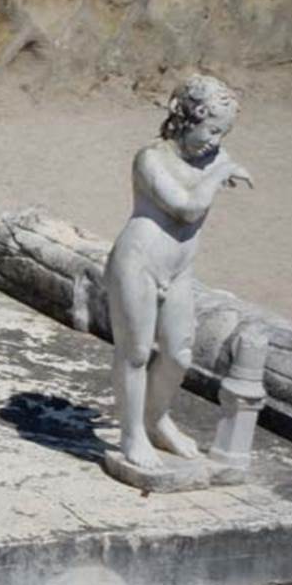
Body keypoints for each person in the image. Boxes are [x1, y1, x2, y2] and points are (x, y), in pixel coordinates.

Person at [105, 74, 252, 468]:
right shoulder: (150, 158)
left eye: (223, 133)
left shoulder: (212, 159)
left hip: (180, 269)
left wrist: (216, 166)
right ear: (188, 118)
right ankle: (132, 433)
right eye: (212, 130)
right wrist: (219, 175)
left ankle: (156, 419)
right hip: (137, 263)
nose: (216, 141)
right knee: (135, 352)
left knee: (178, 354)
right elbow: (186, 207)